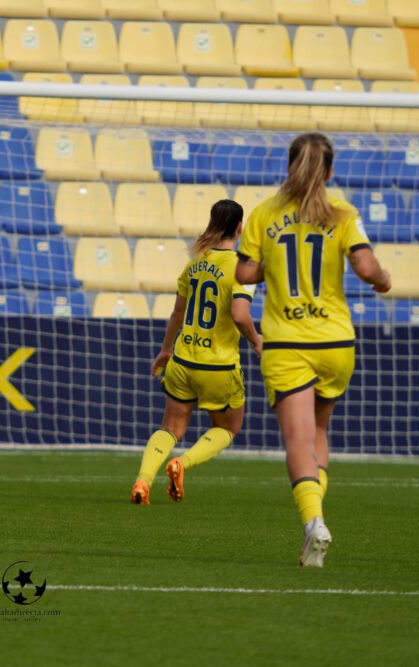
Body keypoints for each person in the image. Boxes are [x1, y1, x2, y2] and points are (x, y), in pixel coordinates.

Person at [235, 133, 392, 567]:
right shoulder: (342, 214)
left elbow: (246, 271)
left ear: (289, 167)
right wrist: (384, 280)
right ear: (329, 171)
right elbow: (364, 266)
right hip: (335, 341)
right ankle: (315, 520)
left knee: (298, 438)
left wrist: (270, 260)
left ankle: (313, 522)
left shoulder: (265, 213)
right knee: (320, 433)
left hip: (287, 341)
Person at [131, 199, 263, 506]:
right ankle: (182, 464)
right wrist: (257, 341)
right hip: (217, 365)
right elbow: (241, 316)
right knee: (228, 428)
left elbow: (177, 313)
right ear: (240, 228)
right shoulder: (241, 268)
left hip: (182, 359)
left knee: (170, 428)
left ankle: (142, 481)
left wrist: (165, 351)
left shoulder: (194, 263)